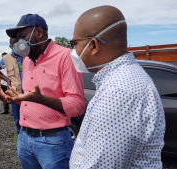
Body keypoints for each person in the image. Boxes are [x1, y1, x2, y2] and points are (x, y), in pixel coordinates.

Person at [69, 6, 165, 168]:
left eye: (75, 43)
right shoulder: (122, 80)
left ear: (93, 45)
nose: (73, 51)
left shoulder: (118, 92)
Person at [0, 14, 85, 169]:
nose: (18, 43)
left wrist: (41, 99)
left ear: (39, 32)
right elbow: (28, 100)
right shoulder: (27, 61)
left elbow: (77, 105)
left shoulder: (65, 57)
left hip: (53, 142)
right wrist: (7, 98)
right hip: (24, 138)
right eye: (17, 39)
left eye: (22, 37)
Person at [0, 38, 23, 134]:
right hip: (15, 93)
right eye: (15, 43)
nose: (18, 45)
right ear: (10, 46)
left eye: (19, 42)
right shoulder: (6, 58)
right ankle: (20, 137)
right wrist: (7, 80)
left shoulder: (27, 55)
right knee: (18, 119)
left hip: (29, 92)